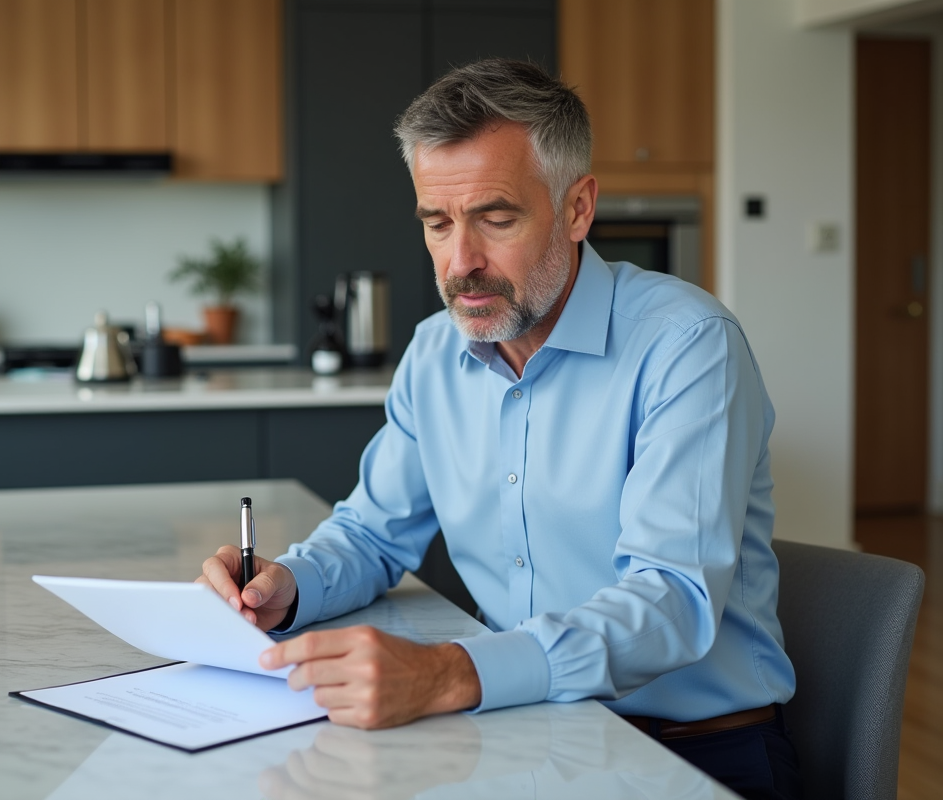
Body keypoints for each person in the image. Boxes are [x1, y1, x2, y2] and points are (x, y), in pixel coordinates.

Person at [199, 58, 801, 800]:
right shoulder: (432, 354)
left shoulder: (688, 347)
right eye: (438, 223)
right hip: (517, 732)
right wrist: (286, 586)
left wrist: (453, 671)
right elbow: (371, 533)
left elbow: (670, 597)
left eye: (496, 218)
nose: (461, 264)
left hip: (691, 754)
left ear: (577, 208)